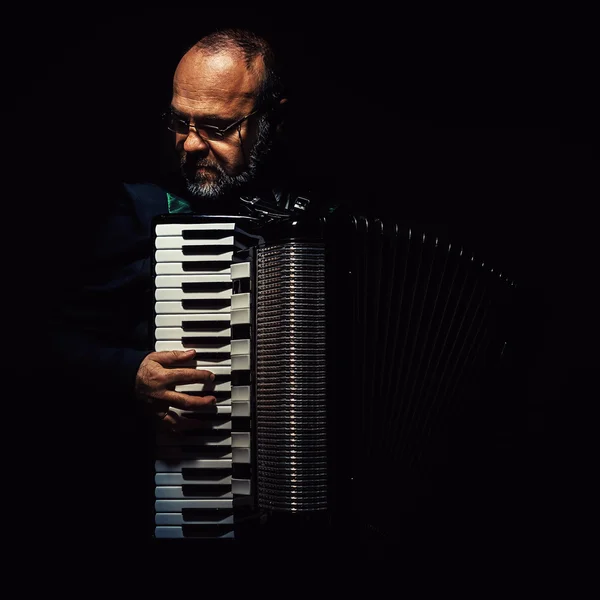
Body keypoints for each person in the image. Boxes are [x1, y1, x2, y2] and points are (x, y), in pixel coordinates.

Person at [38, 26, 330, 551]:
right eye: (180, 122)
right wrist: (131, 374)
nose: (190, 144)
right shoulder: (143, 215)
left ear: (274, 121)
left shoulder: (327, 223)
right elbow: (42, 343)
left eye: (218, 127)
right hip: (199, 505)